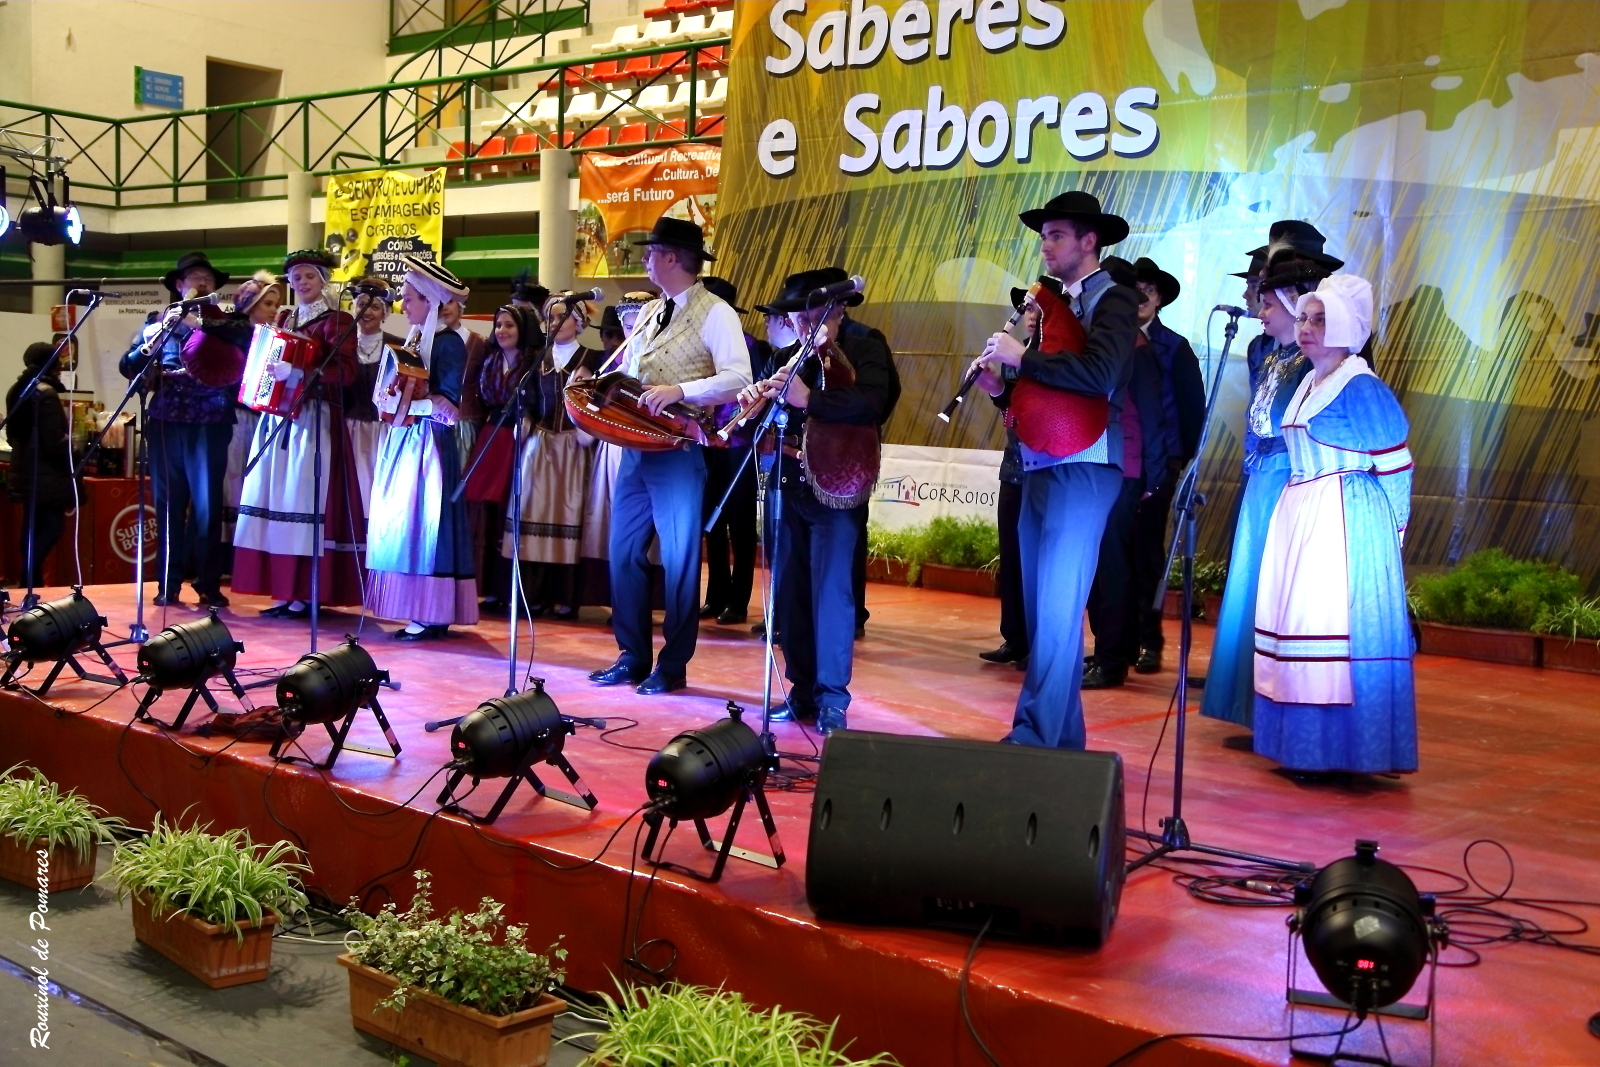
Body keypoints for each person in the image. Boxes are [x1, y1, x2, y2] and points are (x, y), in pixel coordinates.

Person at [972, 191, 1140, 750]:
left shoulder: (1114, 299)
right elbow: (1044, 399)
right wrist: (1000, 389)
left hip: (1085, 466)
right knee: (1044, 611)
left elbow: (1100, 375)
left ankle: (1036, 736)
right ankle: (1058, 738)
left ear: (1090, 241)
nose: (1046, 246)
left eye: (1057, 235)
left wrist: (1022, 357)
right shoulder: (1047, 306)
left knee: (1059, 608)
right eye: (1044, 236)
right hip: (1040, 465)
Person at [1252, 274, 1416, 776]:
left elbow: (1396, 464)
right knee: (1297, 623)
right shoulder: (1309, 381)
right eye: (1304, 317)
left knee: (1327, 629)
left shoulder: (1361, 386)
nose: (1306, 328)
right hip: (1302, 509)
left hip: (1344, 517)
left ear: (1347, 326)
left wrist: (1390, 538)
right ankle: (1301, 747)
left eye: (1320, 320)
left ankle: (1342, 751)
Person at [588, 218, 751, 695]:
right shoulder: (648, 311)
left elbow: (739, 378)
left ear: (673, 258)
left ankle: (672, 665)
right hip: (636, 449)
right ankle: (632, 655)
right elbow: (630, 369)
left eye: (651, 252)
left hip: (679, 450)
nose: (645, 259)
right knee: (622, 552)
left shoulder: (716, 312)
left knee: (680, 561)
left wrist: (681, 390)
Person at [742, 269, 893, 734]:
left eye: (809, 315)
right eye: (796, 316)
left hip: (836, 484)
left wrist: (811, 399)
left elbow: (874, 403)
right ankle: (802, 689)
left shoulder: (866, 345)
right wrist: (753, 404)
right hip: (787, 482)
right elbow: (766, 417)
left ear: (838, 309)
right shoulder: (785, 356)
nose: (801, 324)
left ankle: (832, 698)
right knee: (790, 595)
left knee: (832, 593)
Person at [1201, 243, 1336, 729]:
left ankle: (1276, 706)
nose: (1260, 312)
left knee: (1277, 589)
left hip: (1289, 479)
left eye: (1269, 303)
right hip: (1262, 479)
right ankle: (1246, 700)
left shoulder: (1314, 361)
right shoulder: (1275, 355)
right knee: (1251, 585)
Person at [1085, 256, 1205, 682]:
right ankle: (1113, 647)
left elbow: (1175, 414)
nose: (1139, 298)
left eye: (1147, 291)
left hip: (1146, 465)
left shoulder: (1161, 347)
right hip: (1113, 464)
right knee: (1109, 560)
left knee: (1138, 556)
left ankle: (1135, 647)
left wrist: (1166, 469)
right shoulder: (1109, 340)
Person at [231, 250, 364, 617]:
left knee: (300, 499)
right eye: (296, 277)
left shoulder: (337, 321)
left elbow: (346, 373)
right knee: (274, 497)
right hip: (277, 417)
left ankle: (303, 591)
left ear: (323, 280)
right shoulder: (285, 318)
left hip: (312, 421)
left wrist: (300, 374)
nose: (302, 283)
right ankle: (282, 589)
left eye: (309, 276)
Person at [366, 256, 479, 639]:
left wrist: (401, 405)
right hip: (406, 439)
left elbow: (448, 407)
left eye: (409, 297)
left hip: (429, 443)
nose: (402, 304)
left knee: (427, 521)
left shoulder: (447, 344)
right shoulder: (414, 341)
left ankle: (432, 611)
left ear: (429, 302)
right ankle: (416, 606)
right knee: (405, 522)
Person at [119, 251, 235, 607]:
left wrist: (199, 324)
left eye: (207, 278)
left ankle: (208, 584)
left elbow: (238, 358)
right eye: (194, 277)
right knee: (168, 505)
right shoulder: (159, 321)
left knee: (207, 507)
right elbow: (128, 366)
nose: (202, 282)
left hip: (210, 422)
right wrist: (151, 341)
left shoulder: (227, 323)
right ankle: (167, 584)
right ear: (180, 285)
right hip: (166, 421)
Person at [1081, 256, 1170, 690]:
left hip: (1125, 469)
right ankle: (1109, 649)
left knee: (1112, 566)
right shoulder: (1109, 344)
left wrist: (1153, 479)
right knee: (1102, 566)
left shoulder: (1137, 349)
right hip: (1100, 465)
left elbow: (1154, 418)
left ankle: (1112, 659)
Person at [503, 294, 606, 618]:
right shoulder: (537, 358)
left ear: (579, 321)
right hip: (542, 445)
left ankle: (565, 596)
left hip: (575, 448)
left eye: (562, 316)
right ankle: (533, 594)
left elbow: (601, 403)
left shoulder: (593, 359)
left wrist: (587, 425)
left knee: (570, 513)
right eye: (550, 317)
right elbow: (528, 399)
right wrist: (525, 421)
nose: (554, 323)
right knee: (532, 512)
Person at [979, 285, 1041, 669]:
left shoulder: (1056, 354)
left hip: (1047, 470)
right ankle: (1015, 638)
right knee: (1012, 553)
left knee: (1040, 559)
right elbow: (1012, 413)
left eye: (1037, 308)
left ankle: (1041, 641)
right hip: (1016, 465)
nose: (1031, 315)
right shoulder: (1013, 354)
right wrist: (995, 388)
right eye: (1027, 309)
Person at [579, 290, 655, 601]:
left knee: (645, 523)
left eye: (639, 325)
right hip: (614, 447)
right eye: (628, 326)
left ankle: (646, 598)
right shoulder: (613, 366)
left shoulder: (659, 364)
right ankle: (617, 598)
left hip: (649, 446)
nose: (632, 332)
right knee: (612, 519)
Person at [465, 303, 538, 615]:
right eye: (498, 325)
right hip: (491, 433)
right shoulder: (491, 359)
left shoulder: (533, 362)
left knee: (512, 509)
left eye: (509, 325)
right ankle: (486, 587)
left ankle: (512, 588)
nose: (502, 330)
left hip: (520, 437)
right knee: (484, 509)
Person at [699, 275, 764, 625]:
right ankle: (716, 594)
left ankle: (739, 600)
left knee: (740, 523)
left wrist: (734, 427)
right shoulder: (702, 345)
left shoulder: (751, 346)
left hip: (739, 444)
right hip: (707, 442)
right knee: (712, 520)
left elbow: (756, 398)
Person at [220, 271, 284, 546]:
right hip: (236, 416)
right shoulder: (234, 332)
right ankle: (229, 543)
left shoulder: (272, 336)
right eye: (267, 304)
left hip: (261, 416)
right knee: (233, 477)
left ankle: (251, 542)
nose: (274, 310)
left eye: (275, 304)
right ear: (250, 304)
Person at [6, 342, 76, 589]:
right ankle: (29, 579)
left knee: (31, 530)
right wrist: (74, 451)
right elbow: (54, 442)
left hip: (24, 471)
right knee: (52, 529)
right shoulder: (46, 394)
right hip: (46, 477)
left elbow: (14, 435)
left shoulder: (17, 389)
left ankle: (29, 585)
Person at [346, 274, 401, 513]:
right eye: (362, 304)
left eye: (375, 307)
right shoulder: (343, 345)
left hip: (385, 432)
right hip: (350, 431)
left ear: (385, 313)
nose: (367, 311)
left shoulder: (398, 347)